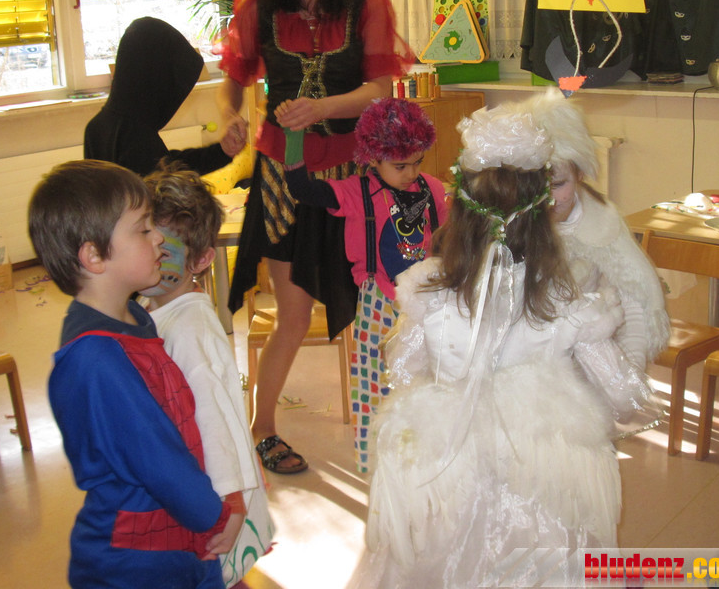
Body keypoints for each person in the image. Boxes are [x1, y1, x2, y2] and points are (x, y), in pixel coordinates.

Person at [350, 101, 654, 588]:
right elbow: (624, 396)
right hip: (537, 487)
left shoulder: (431, 293)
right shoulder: (566, 301)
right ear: (542, 218)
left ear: (459, 212)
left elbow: (403, 371)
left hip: (450, 478)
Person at [216, 0, 413, 473]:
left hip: (353, 178)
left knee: (375, 307)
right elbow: (232, 83)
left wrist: (323, 108)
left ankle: (390, 422)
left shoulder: (365, 1)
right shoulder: (257, 9)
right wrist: (230, 118)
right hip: (282, 179)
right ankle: (262, 429)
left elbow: (380, 89)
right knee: (294, 315)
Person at [28, 159, 231, 589]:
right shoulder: (97, 359)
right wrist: (216, 516)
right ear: (94, 256)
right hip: (136, 561)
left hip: (175, 539)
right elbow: (157, 459)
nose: (158, 237)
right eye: (143, 229)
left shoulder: (133, 320)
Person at [283, 97, 448, 473]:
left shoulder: (433, 190)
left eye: (417, 162)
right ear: (373, 158)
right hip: (378, 304)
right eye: (400, 165)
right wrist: (294, 137)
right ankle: (379, 462)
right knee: (376, 388)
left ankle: (426, 458)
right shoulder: (356, 192)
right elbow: (302, 189)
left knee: (425, 382)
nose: (410, 173)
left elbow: (444, 240)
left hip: (424, 304)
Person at [141, 163, 275, 586]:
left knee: (220, 576)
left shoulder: (189, 331)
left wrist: (231, 504)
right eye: (142, 240)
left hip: (216, 496)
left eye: (164, 251)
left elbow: (215, 420)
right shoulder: (155, 308)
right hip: (195, 487)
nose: (148, 257)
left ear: (201, 260)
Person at [529, 89, 669, 370]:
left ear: (580, 175)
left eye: (558, 185)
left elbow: (636, 300)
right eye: (536, 186)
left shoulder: (602, 223)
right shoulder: (517, 221)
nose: (548, 199)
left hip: (583, 356)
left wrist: (628, 374)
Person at [84, 16, 240, 177]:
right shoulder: (136, 137)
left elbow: (168, 164)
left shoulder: (98, 126)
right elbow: (167, 179)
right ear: (158, 78)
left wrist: (221, 152)